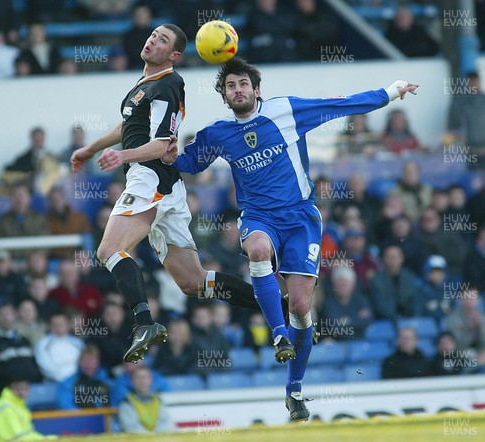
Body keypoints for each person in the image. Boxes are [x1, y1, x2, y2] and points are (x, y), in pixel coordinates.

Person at [164, 56, 418, 420]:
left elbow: (339, 105)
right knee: (257, 249)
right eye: (230, 86)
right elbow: (189, 163)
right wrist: (164, 153)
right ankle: (279, 333)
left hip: (300, 217)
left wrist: (391, 93)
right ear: (224, 94)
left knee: (301, 306)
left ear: (256, 89)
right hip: (258, 217)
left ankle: (294, 390)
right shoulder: (218, 132)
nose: (237, 90)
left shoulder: (285, 110)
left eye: (242, 84)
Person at [70, 25, 272, 364]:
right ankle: (277, 308)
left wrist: (122, 156)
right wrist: (91, 149)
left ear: (174, 56)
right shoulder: (148, 85)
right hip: (166, 186)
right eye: (152, 34)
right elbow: (129, 126)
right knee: (193, 282)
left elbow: (162, 143)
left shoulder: (167, 83)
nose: (152, 39)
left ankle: (144, 323)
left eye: (162, 40)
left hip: (150, 179)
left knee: (108, 250)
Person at [447, 72, 485, 169]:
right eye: (470, 82)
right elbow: (451, 128)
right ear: (466, 83)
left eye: (475, 82)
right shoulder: (459, 103)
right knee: (472, 180)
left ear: (479, 82)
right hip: (469, 152)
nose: (473, 85)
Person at [0, 377, 55, 441]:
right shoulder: (5, 407)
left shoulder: (20, 406)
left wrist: (46, 438)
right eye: (19, 388)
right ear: (12, 387)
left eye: (25, 388)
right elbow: (18, 438)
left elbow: (28, 433)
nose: (23, 391)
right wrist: (47, 439)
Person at [118, 365, 172, 433]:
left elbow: (165, 424)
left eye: (144, 377)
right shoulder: (126, 403)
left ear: (151, 380)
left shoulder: (158, 400)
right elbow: (131, 429)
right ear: (132, 381)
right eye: (138, 378)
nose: (142, 381)